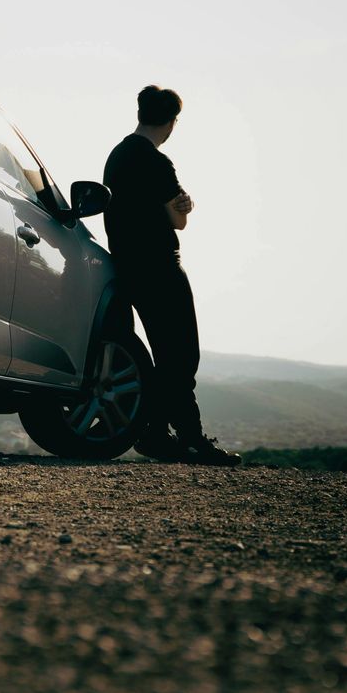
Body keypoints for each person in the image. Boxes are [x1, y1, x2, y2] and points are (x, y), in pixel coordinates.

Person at [102, 86, 240, 466]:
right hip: (161, 265)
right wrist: (186, 207)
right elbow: (177, 220)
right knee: (182, 354)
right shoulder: (158, 163)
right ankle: (187, 438)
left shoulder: (117, 155)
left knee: (165, 353)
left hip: (127, 264)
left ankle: (158, 433)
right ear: (171, 122)